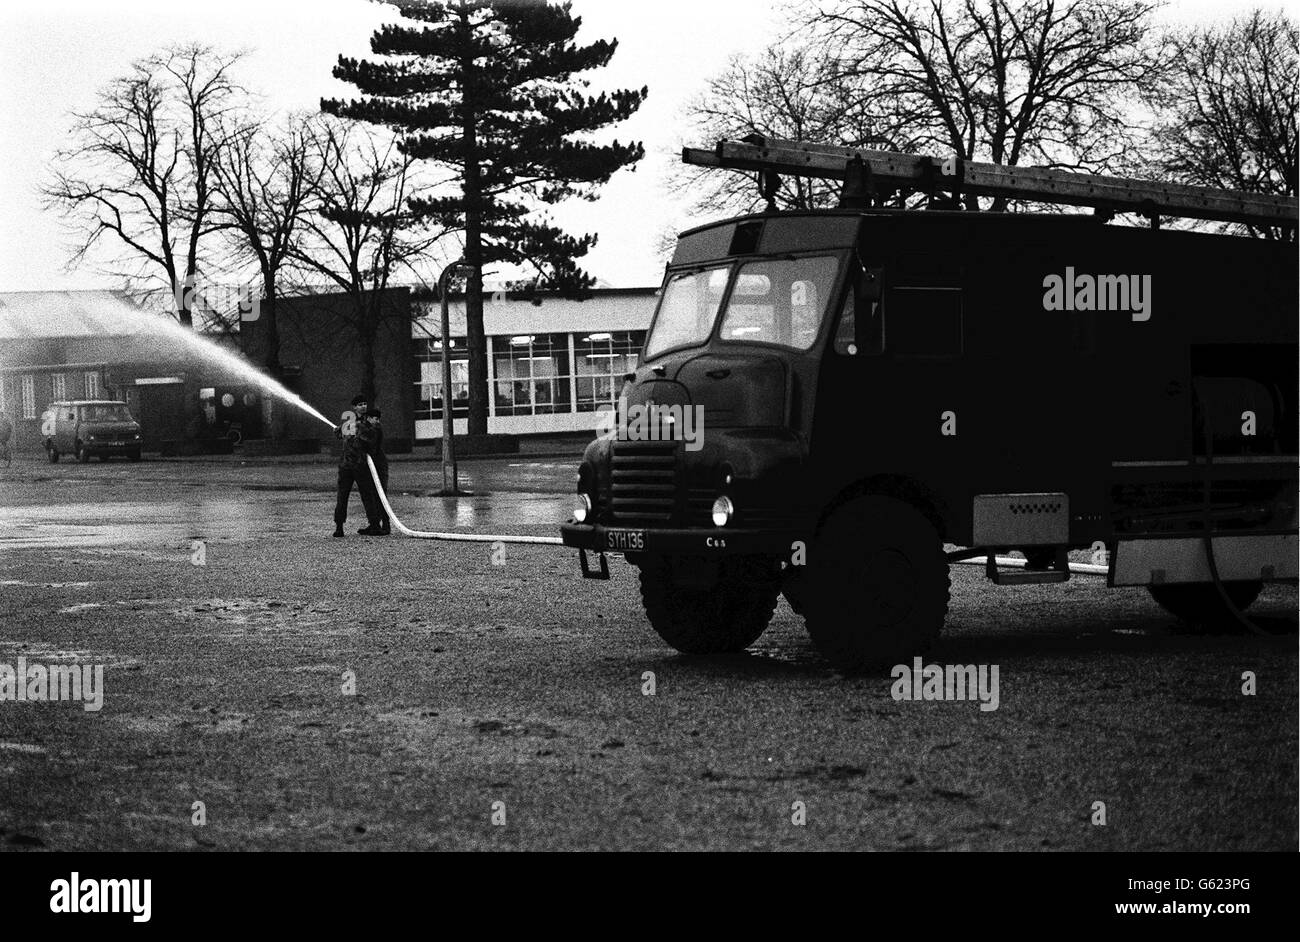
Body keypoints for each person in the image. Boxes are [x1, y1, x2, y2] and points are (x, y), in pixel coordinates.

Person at [333, 394, 383, 538]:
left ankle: (374, 525)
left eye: (364, 403)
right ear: (354, 407)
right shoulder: (349, 420)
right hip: (346, 466)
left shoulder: (369, 422)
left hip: (361, 465)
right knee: (342, 496)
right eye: (360, 404)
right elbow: (339, 434)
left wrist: (357, 428)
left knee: (368, 495)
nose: (363, 406)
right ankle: (339, 526)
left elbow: (372, 439)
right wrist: (339, 429)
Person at [365, 406, 391, 535]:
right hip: (374, 466)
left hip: (379, 466)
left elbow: (369, 444)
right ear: (368, 418)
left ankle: (386, 525)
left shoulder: (375, 429)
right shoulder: (369, 428)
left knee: (381, 496)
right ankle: (374, 524)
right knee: (374, 496)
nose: (378, 421)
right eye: (375, 419)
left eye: (378, 419)